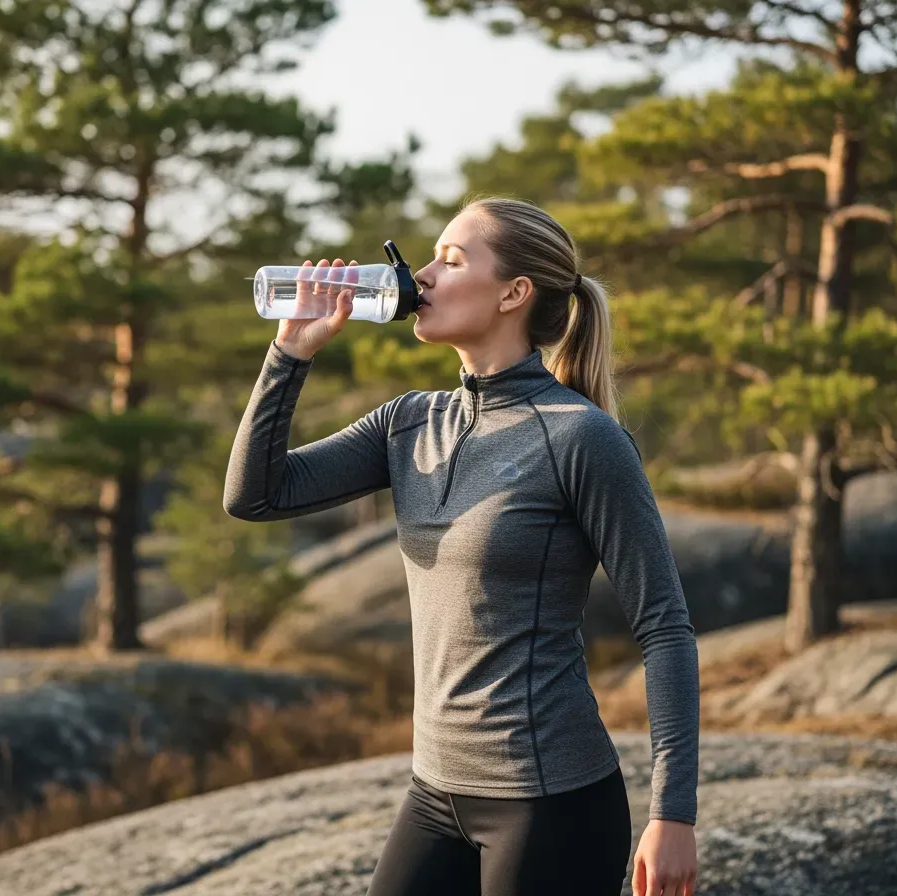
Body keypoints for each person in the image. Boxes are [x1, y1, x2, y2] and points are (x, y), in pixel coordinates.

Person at [223, 196, 700, 896]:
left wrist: (674, 815)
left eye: (449, 260)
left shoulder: (581, 436)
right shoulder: (408, 422)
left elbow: (664, 626)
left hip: (549, 803)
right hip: (434, 794)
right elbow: (255, 496)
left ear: (514, 293)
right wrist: (289, 354)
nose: (422, 276)